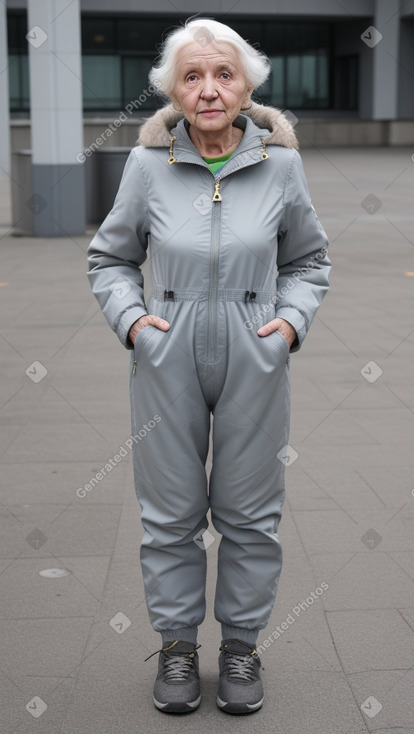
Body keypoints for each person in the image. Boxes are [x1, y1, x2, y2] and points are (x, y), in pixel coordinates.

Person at [87, 17, 331, 716]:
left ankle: (241, 647)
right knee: (169, 514)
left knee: (251, 515)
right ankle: (176, 648)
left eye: (222, 74)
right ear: (172, 91)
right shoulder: (146, 166)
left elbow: (308, 260)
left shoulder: (279, 165)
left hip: (256, 351)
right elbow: (109, 257)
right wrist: (134, 323)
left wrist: (288, 323)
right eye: (191, 77)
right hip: (167, 353)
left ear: (246, 84)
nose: (208, 89)